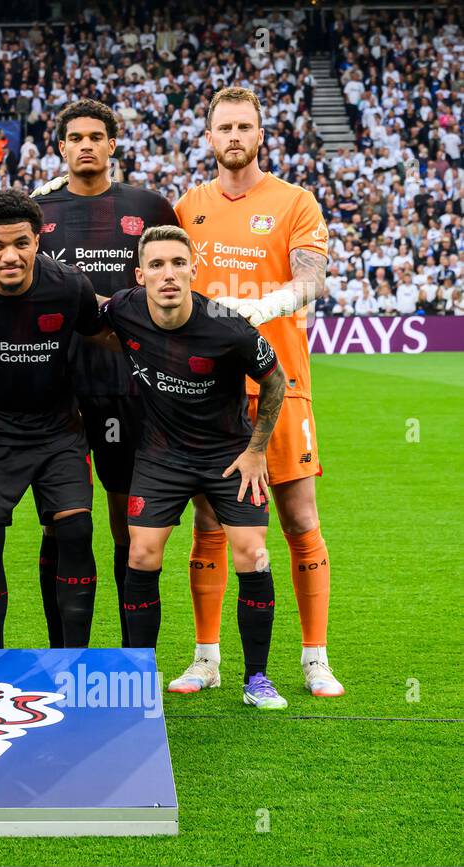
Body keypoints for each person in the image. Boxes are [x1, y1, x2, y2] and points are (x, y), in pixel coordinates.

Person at [173, 87, 343, 697]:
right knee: (210, 520)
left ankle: (314, 658)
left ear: (261, 135)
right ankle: (207, 657)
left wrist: (259, 306)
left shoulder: (295, 202)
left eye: (245, 126)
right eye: (225, 127)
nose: (235, 135)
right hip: (206, 390)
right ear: (210, 137)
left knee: (300, 518)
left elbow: (313, 277)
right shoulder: (188, 206)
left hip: (281, 382)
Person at [101, 225, 290, 709]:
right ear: (140, 275)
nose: (169, 275)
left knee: (253, 554)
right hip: (161, 455)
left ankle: (257, 679)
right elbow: (81, 314)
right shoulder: (123, 309)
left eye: (178, 264)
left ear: (193, 270)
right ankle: (136, 675)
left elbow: (276, 383)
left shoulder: (227, 326)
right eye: (158, 265)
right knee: (141, 554)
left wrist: (255, 450)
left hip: (227, 456)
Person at [0, 190, 114, 648]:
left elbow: (104, 334)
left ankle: (73, 660)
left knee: (76, 530)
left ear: (38, 240)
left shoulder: (70, 285)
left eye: (21, 244)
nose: (10, 256)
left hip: (58, 432)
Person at [28, 99, 181, 648]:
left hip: (130, 388)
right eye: (76, 137)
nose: (86, 145)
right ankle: (65, 652)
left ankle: (129, 655)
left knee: (125, 517)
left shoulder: (150, 206)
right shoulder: (37, 210)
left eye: (97, 136)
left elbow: (176, 284)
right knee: (62, 522)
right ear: (61, 148)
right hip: (54, 387)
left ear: (113, 144)